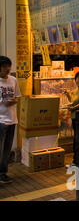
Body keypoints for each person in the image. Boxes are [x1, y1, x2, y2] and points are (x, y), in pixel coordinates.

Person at [0, 56, 22, 184]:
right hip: (0, 120)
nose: (8, 69)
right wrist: (4, 102)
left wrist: (14, 101)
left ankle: (3, 173)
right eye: (4, 66)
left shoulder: (13, 80)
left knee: (7, 148)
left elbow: (18, 96)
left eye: (9, 66)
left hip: (12, 119)